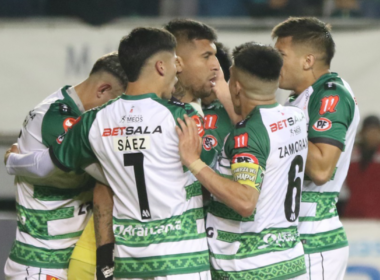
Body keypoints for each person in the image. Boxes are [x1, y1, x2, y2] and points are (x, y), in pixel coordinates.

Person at [6, 27, 211, 280]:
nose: (178, 70)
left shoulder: (92, 121)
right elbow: (215, 172)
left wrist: (12, 160)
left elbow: (46, 165)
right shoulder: (183, 116)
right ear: (161, 67)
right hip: (179, 264)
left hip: (128, 263)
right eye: (174, 63)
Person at [176, 42, 308, 279]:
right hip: (289, 259)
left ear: (235, 87)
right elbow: (257, 122)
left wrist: (194, 161)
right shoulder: (295, 117)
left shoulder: (246, 136)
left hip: (247, 265)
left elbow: (245, 201)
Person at [3, 52, 127, 280]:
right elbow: (116, 176)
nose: (121, 115)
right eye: (119, 103)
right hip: (42, 265)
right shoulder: (56, 118)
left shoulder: (72, 111)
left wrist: (14, 162)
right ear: (103, 90)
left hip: (69, 261)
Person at [272, 17, 360, 279]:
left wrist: (282, 122)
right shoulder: (299, 98)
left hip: (315, 243)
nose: (275, 63)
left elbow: (321, 168)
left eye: (281, 55)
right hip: (293, 238)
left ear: (307, 60)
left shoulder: (330, 94)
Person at [344, 115, 380, 218]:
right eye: (369, 131)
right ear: (362, 133)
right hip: (353, 213)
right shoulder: (352, 154)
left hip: (377, 215)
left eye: (376, 131)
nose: (372, 135)